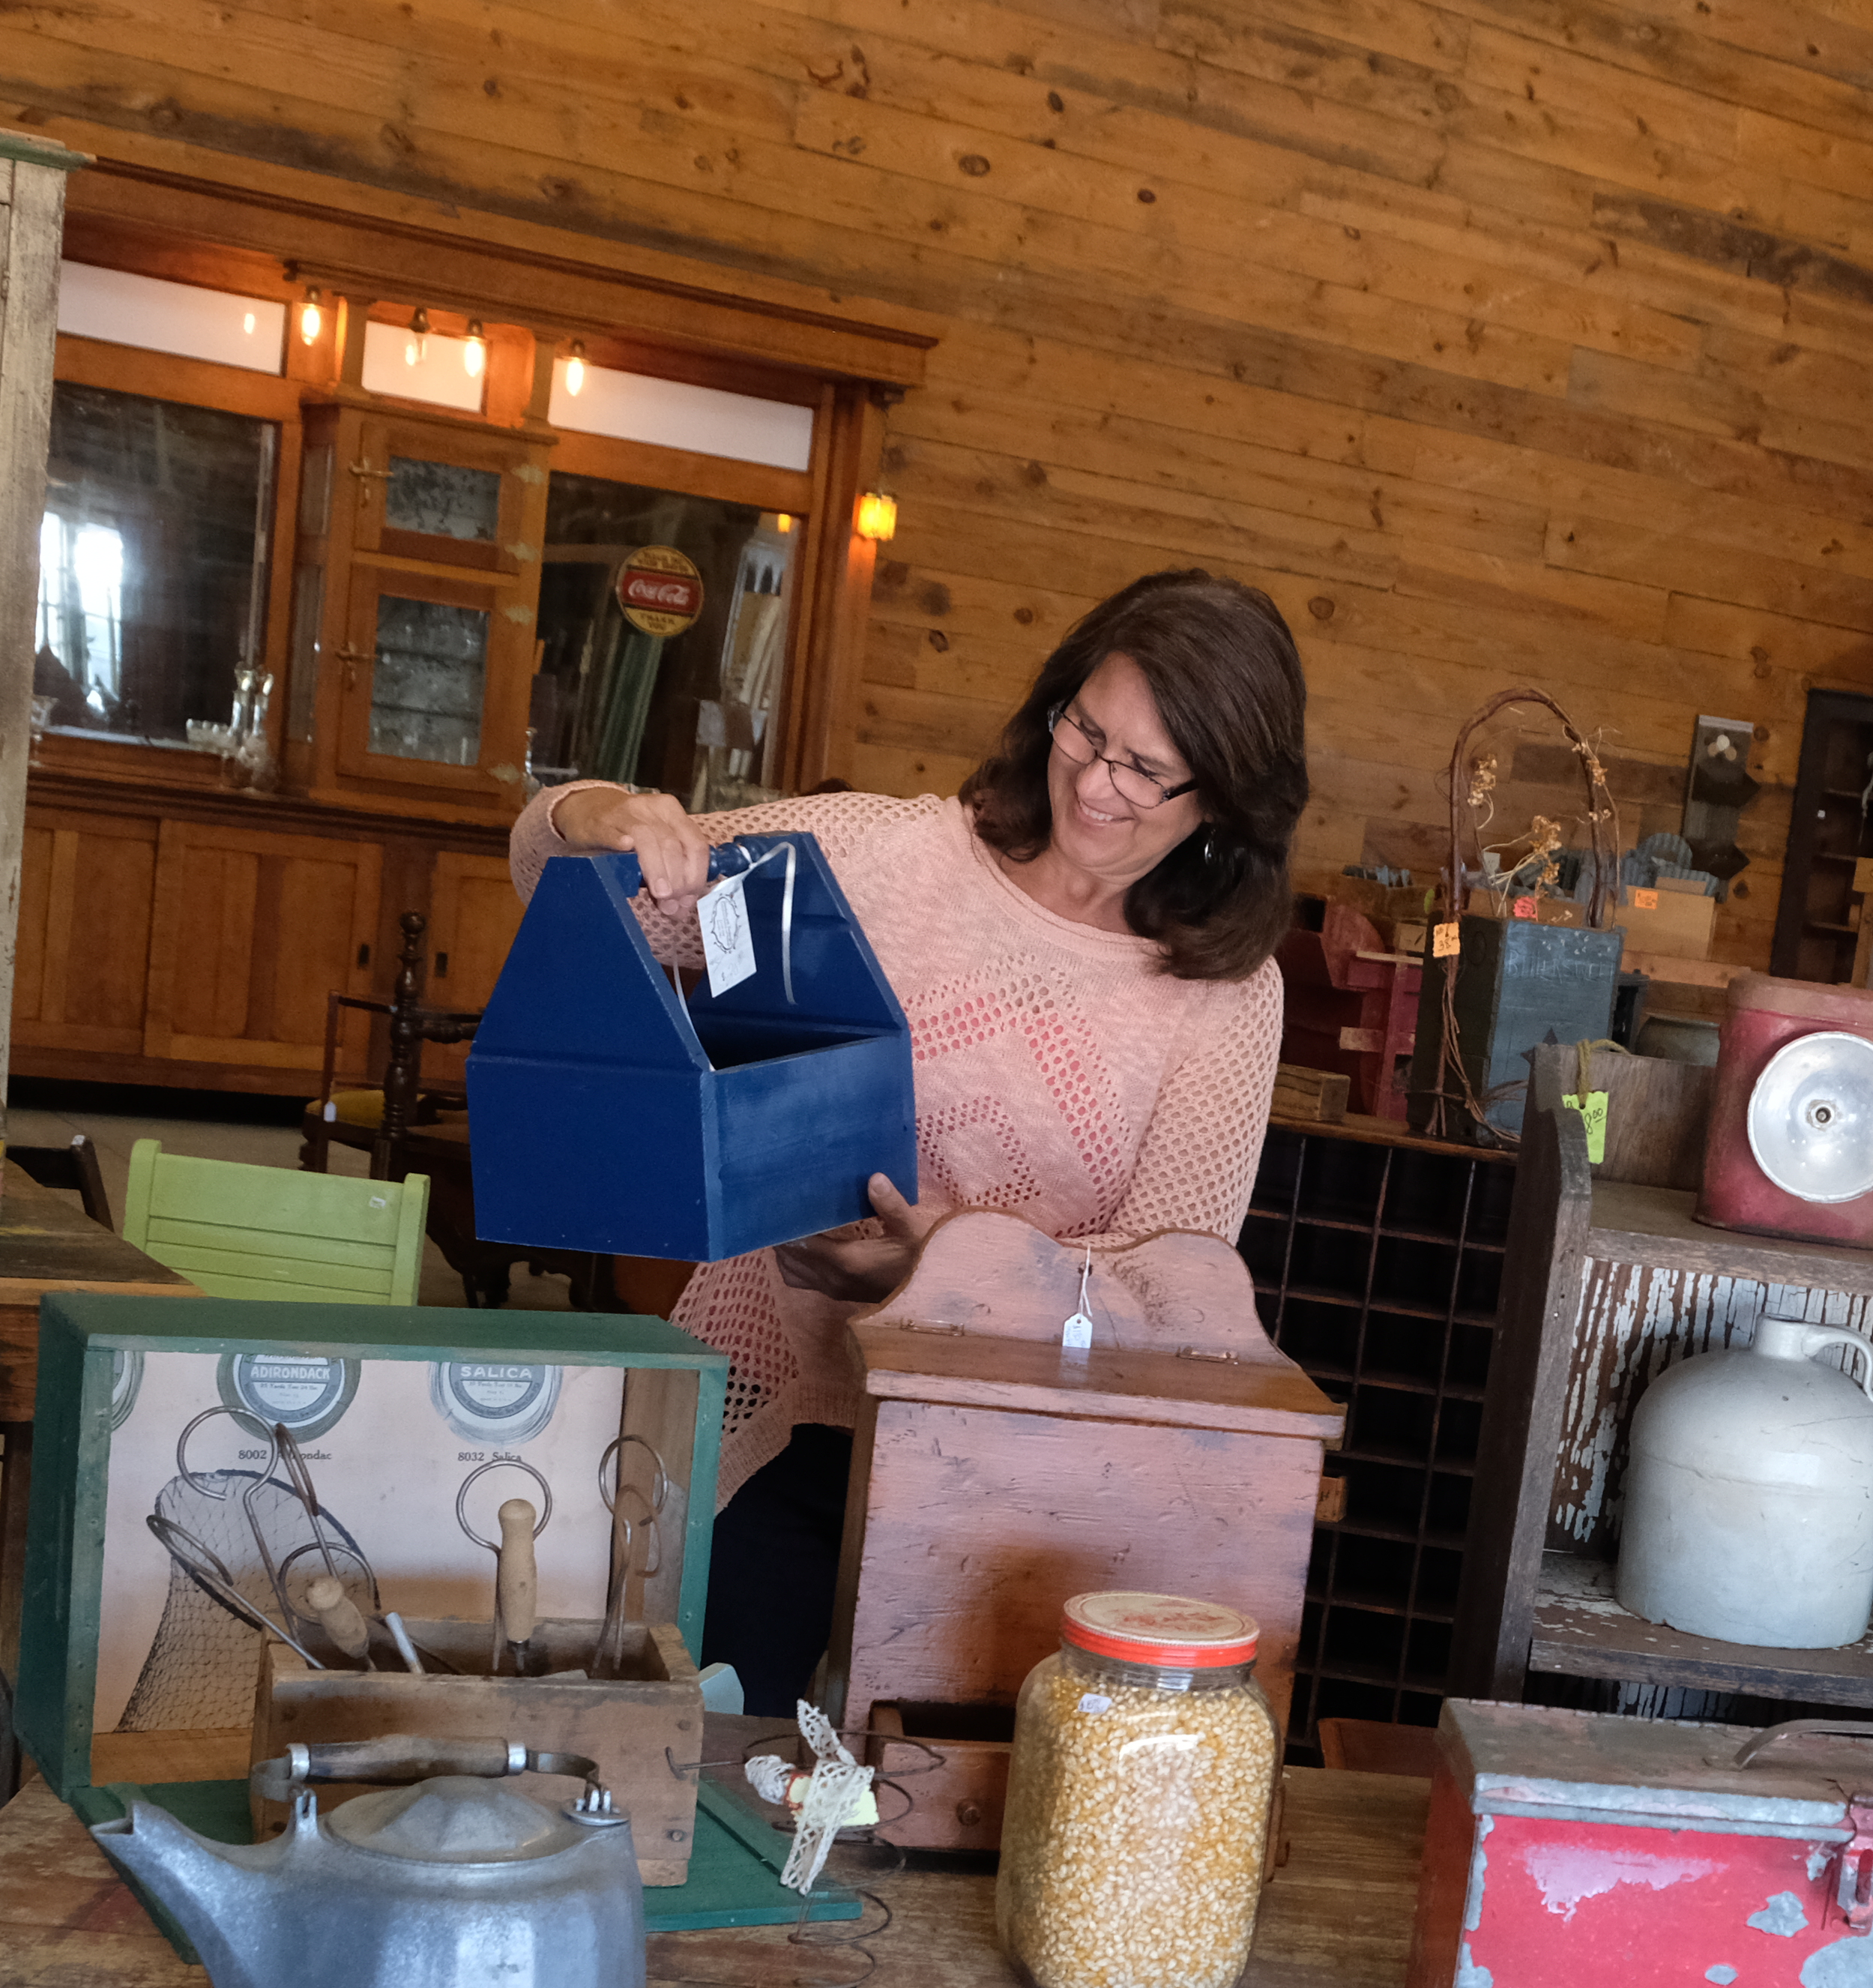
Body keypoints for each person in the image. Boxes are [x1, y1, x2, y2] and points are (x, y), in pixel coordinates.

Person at [511, 567, 1308, 1719]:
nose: (1096, 784)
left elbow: (1170, 1309)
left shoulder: (1225, 999)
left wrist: (960, 1269)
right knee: (713, 1760)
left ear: (1224, 804)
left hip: (1015, 1485)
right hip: (778, 1418)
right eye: (1086, 730)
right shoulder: (874, 860)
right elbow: (561, 885)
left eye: (1148, 769)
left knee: (917, 1821)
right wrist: (603, 813)